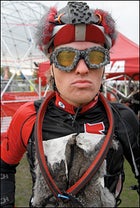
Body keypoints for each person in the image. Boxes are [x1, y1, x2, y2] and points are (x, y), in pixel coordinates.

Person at [0, 1, 139, 207]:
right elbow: (4, 167)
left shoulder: (123, 118)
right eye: (66, 57)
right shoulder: (28, 116)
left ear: (104, 66)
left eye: (95, 56)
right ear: (53, 67)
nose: (82, 69)